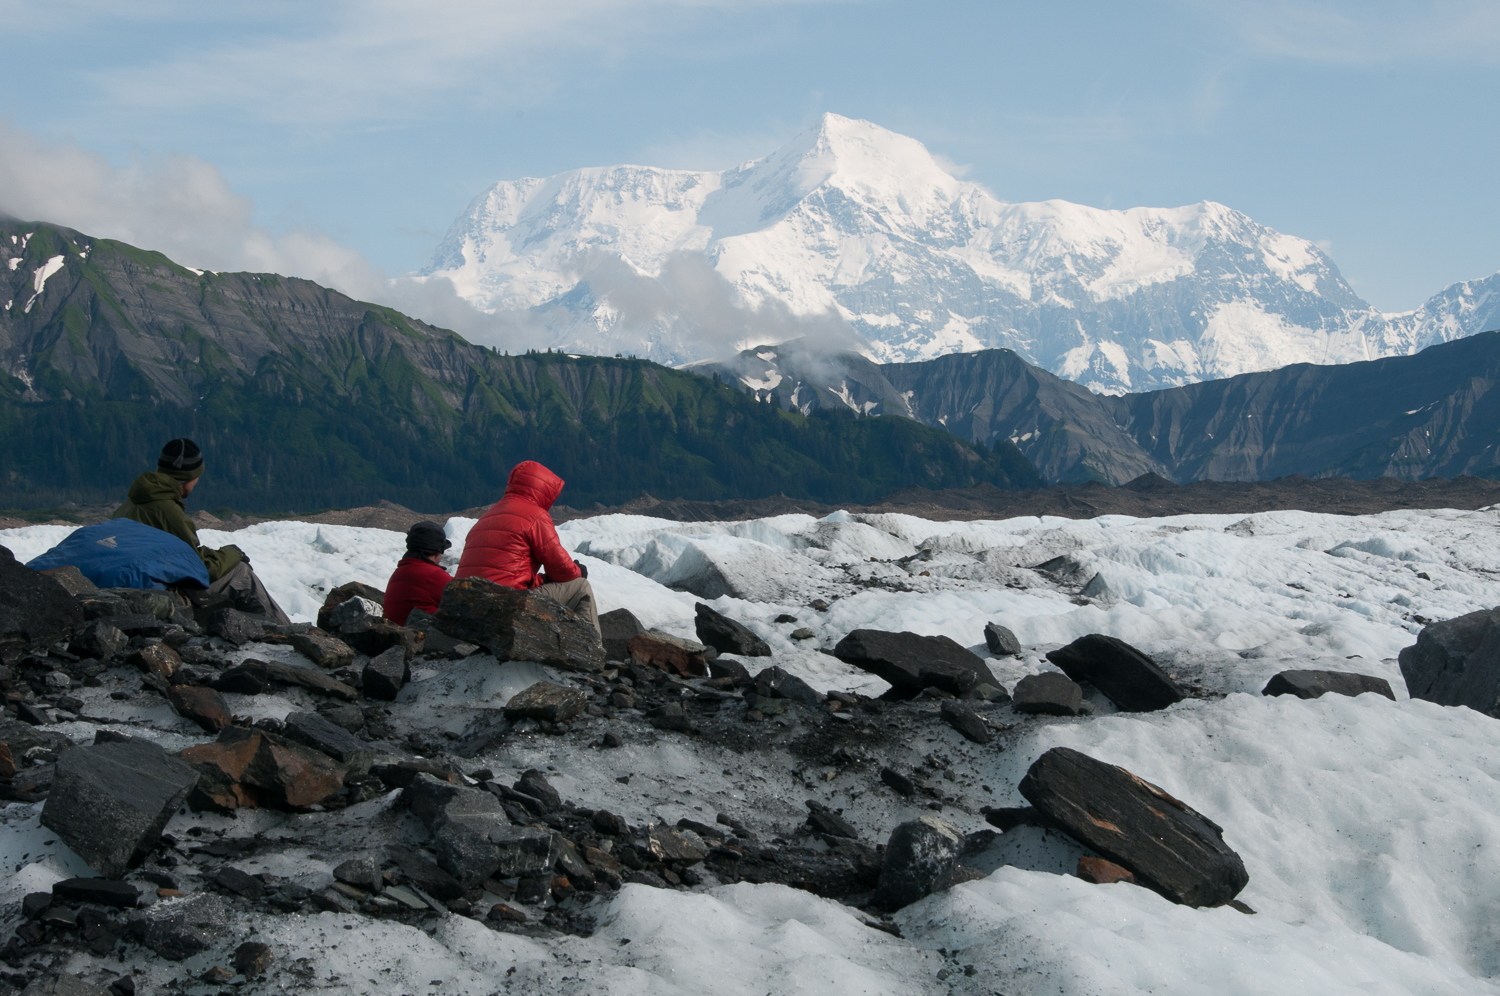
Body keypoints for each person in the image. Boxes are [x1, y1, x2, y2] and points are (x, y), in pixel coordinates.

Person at [113, 437, 291, 625]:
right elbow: (198, 570)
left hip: (126, 588)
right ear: (189, 478)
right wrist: (233, 553)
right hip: (157, 595)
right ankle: (285, 636)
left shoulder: (130, 504)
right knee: (241, 574)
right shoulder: (167, 511)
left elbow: (175, 553)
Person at [456, 460, 600, 636]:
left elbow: (505, 572)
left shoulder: (486, 517)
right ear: (544, 490)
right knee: (581, 587)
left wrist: (542, 580)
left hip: (467, 605)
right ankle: (591, 653)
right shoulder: (535, 515)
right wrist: (579, 571)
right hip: (507, 603)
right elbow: (561, 569)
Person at [383, 521, 453, 625]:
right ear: (437, 552)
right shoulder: (432, 575)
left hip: (399, 636)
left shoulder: (400, 572)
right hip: (422, 638)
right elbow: (468, 600)